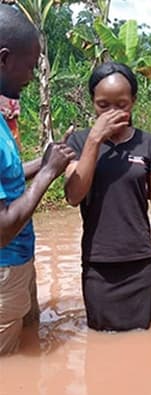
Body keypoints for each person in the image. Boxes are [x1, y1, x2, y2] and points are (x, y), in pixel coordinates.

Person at [63, 62, 151, 331]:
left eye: (121, 104)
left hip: (139, 263)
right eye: (103, 105)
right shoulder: (78, 142)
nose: (112, 113)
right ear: (92, 103)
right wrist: (94, 141)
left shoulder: (148, 144)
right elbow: (74, 195)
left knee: (143, 346)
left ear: (133, 101)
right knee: (99, 345)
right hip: (98, 264)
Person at [0, 4, 74, 354]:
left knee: (28, 345)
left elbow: (8, 176)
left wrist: (43, 162)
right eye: (29, 65)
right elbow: (3, 226)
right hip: (4, 270)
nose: (31, 76)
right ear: (3, 59)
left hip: (17, 263)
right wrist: (48, 173)